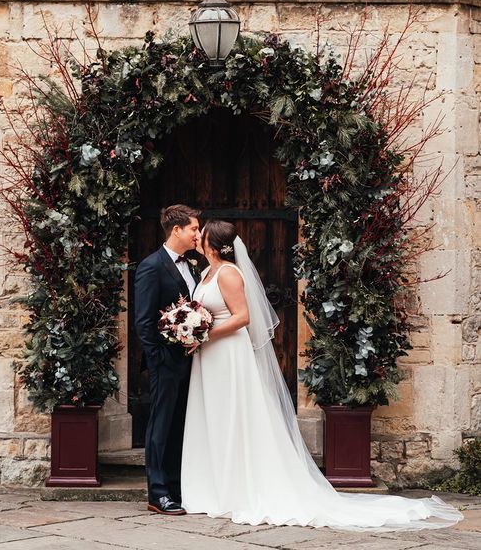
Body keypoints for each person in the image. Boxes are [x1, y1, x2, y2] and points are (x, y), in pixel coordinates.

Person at [181, 219, 463, 530]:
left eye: (201, 233)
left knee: (233, 415)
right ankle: (214, 485)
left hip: (228, 354)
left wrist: (206, 335)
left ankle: (236, 487)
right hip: (209, 357)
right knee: (215, 416)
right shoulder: (206, 272)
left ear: (212, 243)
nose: (197, 237)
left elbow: (243, 317)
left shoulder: (230, 274)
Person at [134, 204, 201, 515]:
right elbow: (143, 322)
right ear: (177, 230)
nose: (198, 235)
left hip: (191, 361)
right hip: (166, 362)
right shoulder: (151, 266)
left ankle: (176, 488)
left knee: (180, 426)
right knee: (160, 426)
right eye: (194, 229)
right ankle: (157, 493)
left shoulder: (193, 265)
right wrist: (159, 357)